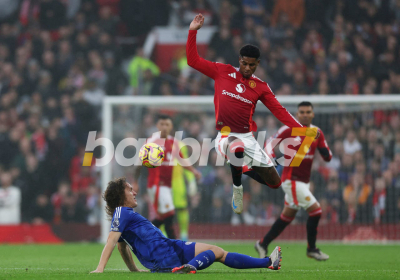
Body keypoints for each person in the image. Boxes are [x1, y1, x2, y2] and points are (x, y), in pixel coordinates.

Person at [186, 14, 303, 215]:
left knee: (275, 183)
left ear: (258, 63)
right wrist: (192, 31)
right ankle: (237, 188)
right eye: (244, 63)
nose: (247, 68)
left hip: (248, 138)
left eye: (252, 65)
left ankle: (245, 168)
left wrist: (301, 130)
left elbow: (279, 110)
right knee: (236, 146)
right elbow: (193, 60)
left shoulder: (261, 87)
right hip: (225, 136)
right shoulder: (222, 71)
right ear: (239, 60)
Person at [91, 177, 282, 274]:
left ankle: (267, 263)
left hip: (169, 247)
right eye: (129, 189)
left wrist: (133, 269)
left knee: (218, 252)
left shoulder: (126, 215)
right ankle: (187, 267)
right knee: (215, 253)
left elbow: (121, 245)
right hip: (163, 255)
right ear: (120, 195)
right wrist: (100, 268)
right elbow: (112, 241)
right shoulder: (121, 212)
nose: (134, 192)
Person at [255, 101, 332, 261]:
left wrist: (325, 152)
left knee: (287, 216)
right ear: (297, 114)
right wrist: (272, 158)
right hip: (291, 180)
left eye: (308, 112)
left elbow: (328, 156)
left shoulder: (317, 132)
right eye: (302, 112)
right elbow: (269, 143)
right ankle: (312, 249)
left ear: (312, 114)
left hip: (303, 181)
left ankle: (263, 243)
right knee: (316, 211)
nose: (305, 114)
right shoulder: (289, 129)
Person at [134, 115, 201, 239]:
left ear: (171, 127)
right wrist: (135, 182)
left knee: (162, 216)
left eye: (167, 124)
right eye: (162, 124)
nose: (164, 127)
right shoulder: (151, 142)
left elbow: (182, 160)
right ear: (157, 126)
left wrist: (193, 171)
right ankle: (174, 244)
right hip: (156, 185)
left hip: (167, 185)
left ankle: (143, 235)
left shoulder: (173, 142)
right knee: (169, 214)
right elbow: (138, 163)